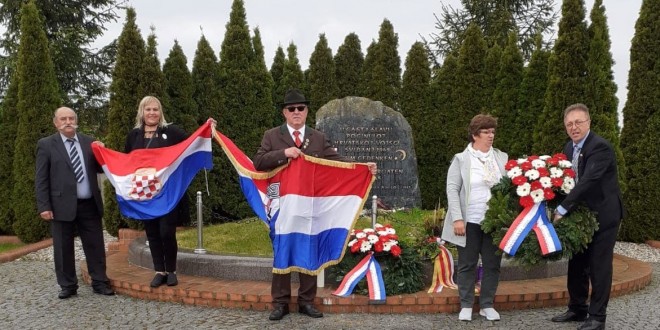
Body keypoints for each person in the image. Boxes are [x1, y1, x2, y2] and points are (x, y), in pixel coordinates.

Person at [254, 88, 377, 321]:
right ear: (284, 113)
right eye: (292, 109)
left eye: (301, 108)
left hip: (310, 203)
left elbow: (336, 161)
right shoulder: (272, 136)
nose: (297, 112)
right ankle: (280, 303)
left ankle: (306, 301)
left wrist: (362, 167)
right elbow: (259, 162)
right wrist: (284, 153)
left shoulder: (318, 137)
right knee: (283, 249)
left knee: (309, 247)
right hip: (282, 203)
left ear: (307, 111)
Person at [551, 104, 624, 330]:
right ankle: (577, 308)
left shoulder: (600, 148)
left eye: (578, 122)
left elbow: (587, 181)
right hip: (582, 217)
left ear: (588, 123)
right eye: (569, 124)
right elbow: (565, 181)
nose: (574, 127)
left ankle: (597, 317)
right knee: (577, 263)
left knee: (599, 266)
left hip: (604, 215)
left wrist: (562, 209)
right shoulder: (568, 148)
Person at [35, 107, 115, 299]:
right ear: (56, 123)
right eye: (63, 119)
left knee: (95, 245)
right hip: (60, 204)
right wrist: (44, 206)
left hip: (89, 204)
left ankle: (100, 282)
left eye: (71, 118)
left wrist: (102, 153)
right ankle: (68, 285)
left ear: (76, 120)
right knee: (63, 248)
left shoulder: (89, 142)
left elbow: (98, 169)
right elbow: (41, 178)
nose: (68, 121)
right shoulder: (46, 145)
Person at [440, 114, 508, 322]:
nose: (491, 135)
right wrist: (457, 219)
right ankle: (467, 304)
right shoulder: (461, 159)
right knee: (467, 264)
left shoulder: (501, 158)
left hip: (494, 222)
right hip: (468, 221)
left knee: (492, 264)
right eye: (486, 132)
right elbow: (452, 189)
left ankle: (487, 304)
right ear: (474, 135)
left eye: (493, 131)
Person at [125, 96, 189, 288]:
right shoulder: (133, 136)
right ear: (141, 112)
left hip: (167, 194)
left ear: (160, 112)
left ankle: (171, 271)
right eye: (148, 110)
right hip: (145, 195)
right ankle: (159, 271)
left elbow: (193, 142)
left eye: (155, 109)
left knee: (166, 232)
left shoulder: (171, 132)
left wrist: (208, 129)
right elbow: (127, 161)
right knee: (152, 233)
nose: (152, 113)